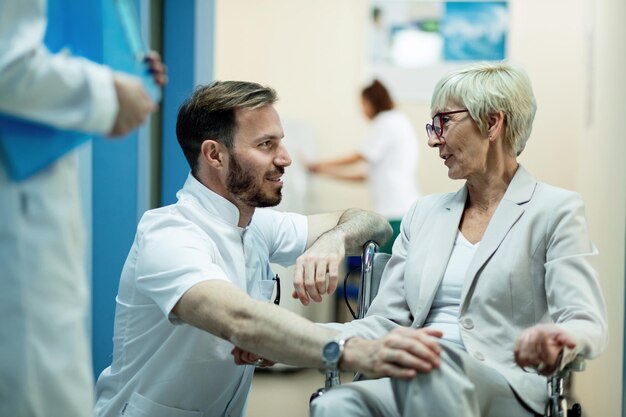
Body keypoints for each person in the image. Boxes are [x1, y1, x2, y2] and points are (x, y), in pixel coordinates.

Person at [93, 80, 441, 417]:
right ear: (214, 154)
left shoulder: (258, 226)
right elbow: (240, 320)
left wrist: (333, 239)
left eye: (281, 142)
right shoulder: (169, 235)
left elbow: (373, 223)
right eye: (266, 145)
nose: (285, 158)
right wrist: (355, 351)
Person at [309, 62, 608, 417]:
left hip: (502, 384)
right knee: (336, 404)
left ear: (493, 122)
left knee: (433, 367)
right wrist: (295, 338)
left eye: (444, 121)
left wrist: (560, 339)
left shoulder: (555, 210)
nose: (434, 138)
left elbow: (585, 320)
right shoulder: (423, 214)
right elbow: (384, 322)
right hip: (410, 374)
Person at [0, 1, 166, 416]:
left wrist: (123, 70)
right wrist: (108, 91)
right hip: (17, 193)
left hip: (31, 181)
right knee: (35, 386)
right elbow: (8, 63)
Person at [306, 79, 419, 252]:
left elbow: (360, 156)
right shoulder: (397, 122)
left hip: (396, 211)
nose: (362, 109)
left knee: (385, 269)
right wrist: (323, 172)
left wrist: (319, 165)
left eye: (363, 104)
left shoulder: (387, 121)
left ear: (372, 102)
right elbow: (364, 176)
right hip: (401, 209)